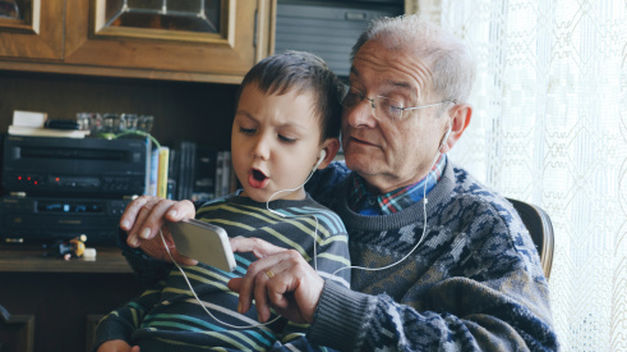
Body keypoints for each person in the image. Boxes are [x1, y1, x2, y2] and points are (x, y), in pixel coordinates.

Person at [121, 15, 559, 351]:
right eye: (355, 90)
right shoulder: (313, 180)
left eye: (395, 103)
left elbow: (527, 345)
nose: (355, 116)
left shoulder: (485, 225)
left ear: (454, 124)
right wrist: (157, 244)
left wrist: (331, 305)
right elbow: (203, 279)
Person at [94, 51, 351, 352]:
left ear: (324, 155)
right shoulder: (209, 213)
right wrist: (113, 335)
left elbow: (317, 336)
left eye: (286, 137)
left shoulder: (324, 229)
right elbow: (163, 297)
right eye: (247, 129)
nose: (260, 149)